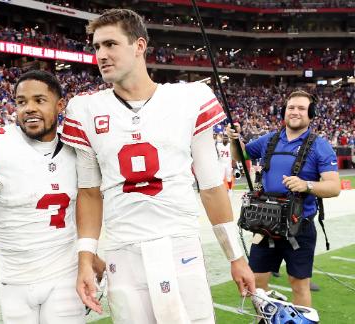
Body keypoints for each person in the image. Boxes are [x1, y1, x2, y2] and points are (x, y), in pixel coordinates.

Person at [61, 9, 255, 323]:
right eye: (96, 47)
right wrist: (85, 258)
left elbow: (210, 187)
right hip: (123, 252)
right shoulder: (84, 108)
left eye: (110, 44)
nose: (101, 55)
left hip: (180, 245)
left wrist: (236, 256)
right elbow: (89, 192)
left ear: (139, 45)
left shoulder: (190, 98)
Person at [0, 70, 104, 324]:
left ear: (60, 105)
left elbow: (80, 208)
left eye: (39, 100)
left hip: (65, 277)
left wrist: (90, 256)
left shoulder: (78, 149)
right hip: (15, 281)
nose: (29, 108)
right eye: (22, 102)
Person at [227, 90, 341, 307]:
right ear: (284, 111)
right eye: (291, 107)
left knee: (298, 283)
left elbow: (334, 187)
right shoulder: (269, 139)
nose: (295, 112)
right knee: (257, 283)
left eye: (301, 108)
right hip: (265, 224)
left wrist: (306, 185)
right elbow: (240, 155)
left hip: (300, 227)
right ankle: (265, 320)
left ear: (311, 113)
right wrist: (235, 140)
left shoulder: (320, 145)